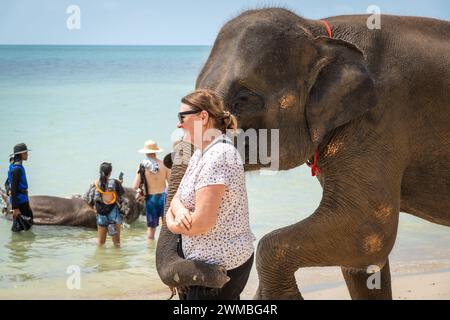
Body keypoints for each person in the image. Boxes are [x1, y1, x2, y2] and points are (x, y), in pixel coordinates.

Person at [166, 89, 255, 300]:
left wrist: (171, 223)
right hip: (207, 269)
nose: (179, 124)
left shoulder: (218, 156)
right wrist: (177, 210)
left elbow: (200, 224)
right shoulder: (201, 153)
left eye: (182, 117)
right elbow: (176, 197)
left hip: (215, 274)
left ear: (203, 117)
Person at [132, 139, 170, 240]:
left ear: (145, 152)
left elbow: (135, 186)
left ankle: (149, 252)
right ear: (156, 151)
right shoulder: (164, 164)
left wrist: (140, 193)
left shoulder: (142, 166)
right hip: (163, 197)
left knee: (151, 228)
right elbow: (171, 183)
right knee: (166, 226)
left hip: (151, 199)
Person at [86, 162, 125, 247]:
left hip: (101, 214)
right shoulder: (115, 182)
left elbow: (87, 199)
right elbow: (122, 197)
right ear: (110, 172)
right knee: (116, 243)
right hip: (113, 215)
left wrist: (94, 209)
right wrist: (119, 184)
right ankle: (117, 259)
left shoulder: (95, 184)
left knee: (100, 243)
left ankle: (101, 259)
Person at [7, 143, 33, 232]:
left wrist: (8, 190)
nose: (27, 155)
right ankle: (18, 244)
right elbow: (13, 189)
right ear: (21, 154)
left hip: (22, 199)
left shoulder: (13, 165)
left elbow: (7, 183)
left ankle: (18, 243)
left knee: (25, 224)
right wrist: (15, 208)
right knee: (22, 226)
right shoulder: (17, 169)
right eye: (26, 153)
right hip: (20, 202)